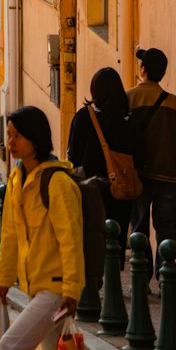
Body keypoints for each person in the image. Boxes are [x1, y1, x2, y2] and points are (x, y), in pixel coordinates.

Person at [0, 106, 85, 350]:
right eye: (9, 135)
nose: (10, 142)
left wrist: (71, 291)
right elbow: (11, 235)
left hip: (56, 289)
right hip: (37, 286)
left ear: (35, 138)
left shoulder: (57, 183)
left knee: (9, 345)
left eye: (17, 136)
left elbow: (71, 241)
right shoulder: (16, 179)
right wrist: (4, 280)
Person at [128, 46, 176, 275]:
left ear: (142, 70)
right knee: (166, 228)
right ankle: (165, 274)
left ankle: (141, 276)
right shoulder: (174, 103)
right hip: (169, 175)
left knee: (138, 228)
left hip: (138, 175)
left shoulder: (129, 99)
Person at [67, 66, 139, 263]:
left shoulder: (84, 116)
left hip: (90, 185)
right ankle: (114, 281)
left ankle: (95, 279)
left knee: (92, 233)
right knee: (117, 235)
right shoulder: (129, 119)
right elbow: (137, 151)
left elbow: (73, 153)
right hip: (120, 186)